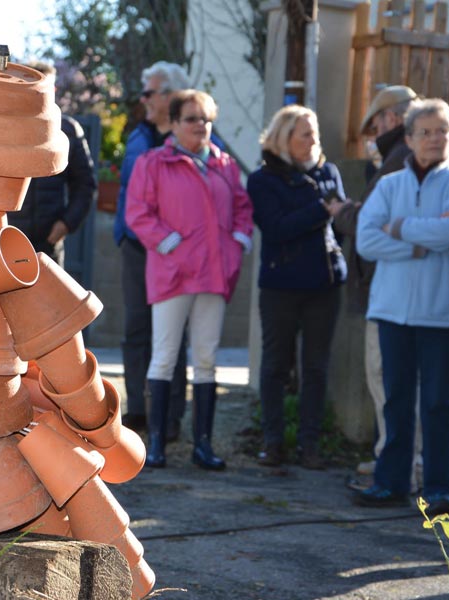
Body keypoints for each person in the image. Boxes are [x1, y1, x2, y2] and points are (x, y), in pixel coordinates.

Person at [126, 90, 253, 470]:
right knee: (164, 357)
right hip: (173, 273)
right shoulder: (154, 162)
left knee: (206, 359)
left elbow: (243, 208)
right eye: (192, 118)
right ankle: (157, 444)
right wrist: (169, 243)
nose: (200, 125)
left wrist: (238, 243)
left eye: (206, 118)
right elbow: (138, 212)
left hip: (214, 274)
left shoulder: (225, 164)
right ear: (175, 123)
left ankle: (204, 446)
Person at [353, 98, 449, 514]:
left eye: (443, 131)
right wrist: (421, 244)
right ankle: (391, 482)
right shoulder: (390, 184)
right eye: (427, 131)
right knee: (395, 398)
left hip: (441, 314)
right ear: (410, 137)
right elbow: (367, 241)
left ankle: (438, 489)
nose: (435, 139)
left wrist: (398, 230)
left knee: (437, 402)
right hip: (391, 310)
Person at [248, 105, 347, 470]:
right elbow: (275, 229)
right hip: (281, 287)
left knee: (317, 368)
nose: (314, 139)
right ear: (284, 138)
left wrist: (335, 218)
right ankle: (273, 443)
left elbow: (340, 225)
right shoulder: (262, 179)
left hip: (325, 283)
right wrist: (322, 211)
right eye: (305, 133)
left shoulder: (329, 172)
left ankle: (310, 445)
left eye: (315, 132)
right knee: (275, 366)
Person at [332, 85, 421, 487]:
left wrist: (342, 211)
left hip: (389, 292)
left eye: (379, 120)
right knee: (389, 379)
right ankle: (396, 456)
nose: (375, 128)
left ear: (393, 118)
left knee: (387, 377)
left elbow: (368, 224)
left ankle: (402, 463)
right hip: (389, 289)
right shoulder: (398, 158)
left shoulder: (400, 158)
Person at [115, 61, 191, 437]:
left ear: (171, 96)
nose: (143, 99)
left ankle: (172, 415)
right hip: (136, 247)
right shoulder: (137, 136)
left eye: (150, 92)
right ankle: (139, 410)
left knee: (175, 331)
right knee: (136, 329)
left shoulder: (194, 137)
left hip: (175, 251)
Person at [9, 63, 96, 267]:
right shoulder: (5, 126)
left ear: (54, 90)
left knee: (49, 299)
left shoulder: (68, 129)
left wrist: (66, 223)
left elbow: (85, 184)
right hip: (7, 239)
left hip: (48, 245)